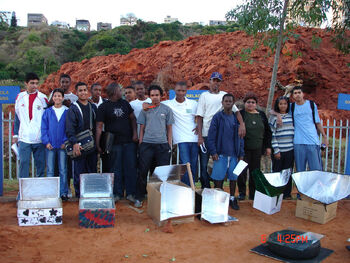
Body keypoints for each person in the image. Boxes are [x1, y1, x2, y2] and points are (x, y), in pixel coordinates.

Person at [196, 72, 245, 189]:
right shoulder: (204, 96)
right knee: (203, 164)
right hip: (206, 134)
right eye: (214, 80)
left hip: (220, 137)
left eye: (218, 81)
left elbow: (236, 112)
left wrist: (242, 124)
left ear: (220, 83)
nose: (216, 83)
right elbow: (200, 116)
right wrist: (200, 136)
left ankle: (218, 189)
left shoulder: (225, 96)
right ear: (210, 81)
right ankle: (206, 188)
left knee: (218, 163)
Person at [96, 82, 138, 202]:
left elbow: (133, 119)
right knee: (115, 169)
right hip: (114, 144)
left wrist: (135, 133)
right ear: (114, 92)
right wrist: (98, 144)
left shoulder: (125, 103)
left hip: (129, 142)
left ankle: (131, 193)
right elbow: (99, 126)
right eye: (120, 90)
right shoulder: (103, 107)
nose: (123, 92)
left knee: (130, 168)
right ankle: (117, 193)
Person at [134, 85, 174, 207]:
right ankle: (140, 197)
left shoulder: (167, 110)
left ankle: (159, 197)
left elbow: (169, 129)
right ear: (149, 96)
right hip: (147, 145)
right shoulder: (145, 110)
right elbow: (141, 128)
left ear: (161, 96)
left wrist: (169, 145)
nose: (155, 97)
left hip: (162, 145)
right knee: (142, 171)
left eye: (157, 95)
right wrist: (141, 143)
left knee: (161, 173)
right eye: (152, 95)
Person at [207, 94, 244, 210]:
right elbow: (211, 136)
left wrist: (241, 154)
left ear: (233, 104)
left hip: (234, 155)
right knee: (218, 178)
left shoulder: (236, 119)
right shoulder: (217, 117)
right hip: (220, 154)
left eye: (230, 101)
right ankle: (219, 199)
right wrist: (213, 152)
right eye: (226, 101)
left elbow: (241, 137)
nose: (228, 103)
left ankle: (232, 198)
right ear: (222, 103)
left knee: (233, 178)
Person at [162, 81, 198, 186]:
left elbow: (200, 117)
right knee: (186, 164)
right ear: (174, 91)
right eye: (178, 90)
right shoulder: (168, 104)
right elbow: (155, 104)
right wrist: (147, 105)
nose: (181, 93)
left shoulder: (193, 104)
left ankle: (192, 186)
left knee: (194, 165)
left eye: (183, 91)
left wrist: (199, 128)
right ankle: (186, 187)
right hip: (181, 139)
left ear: (186, 91)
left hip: (194, 139)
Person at [65, 82, 97, 198]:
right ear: (77, 93)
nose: (83, 92)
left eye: (85, 90)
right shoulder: (73, 108)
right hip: (79, 145)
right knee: (79, 172)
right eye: (80, 90)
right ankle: (79, 195)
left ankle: (90, 195)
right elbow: (69, 128)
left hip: (91, 145)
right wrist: (75, 143)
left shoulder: (92, 107)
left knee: (91, 170)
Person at [237, 92, 272, 200]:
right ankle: (242, 193)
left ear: (256, 104)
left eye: (253, 102)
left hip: (257, 148)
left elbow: (267, 131)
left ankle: (253, 194)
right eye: (248, 102)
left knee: (255, 172)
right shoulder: (240, 114)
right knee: (241, 171)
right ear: (245, 103)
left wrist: (268, 147)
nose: (250, 104)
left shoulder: (261, 115)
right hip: (243, 149)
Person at [14, 72, 48, 180]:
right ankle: (23, 191)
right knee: (23, 163)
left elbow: (46, 119)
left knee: (40, 165)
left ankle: (39, 189)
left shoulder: (43, 98)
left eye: (36, 83)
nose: (34, 86)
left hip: (39, 138)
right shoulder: (19, 97)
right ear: (26, 83)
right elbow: (17, 117)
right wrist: (15, 135)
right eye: (32, 83)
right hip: (24, 137)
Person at [289, 86, 328, 173]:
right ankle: (301, 187)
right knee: (300, 171)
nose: (297, 95)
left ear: (303, 94)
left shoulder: (311, 105)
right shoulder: (291, 107)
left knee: (316, 170)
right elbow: (277, 109)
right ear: (292, 96)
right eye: (295, 93)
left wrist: (325, 137)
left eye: (299, 92)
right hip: (298, 142)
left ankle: (316, 187)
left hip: (312, 142)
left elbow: (317, 122)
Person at [41, 89, 69, 201]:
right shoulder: (47, 112)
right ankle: (51, 191)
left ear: (63, 98)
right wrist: (46, 142)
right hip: (50, 146)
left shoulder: (67, 111)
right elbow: (44, 128)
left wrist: (65, 142)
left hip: (62, 146)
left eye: (59, 96)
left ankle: (63, 192)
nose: (57, 98)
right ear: (52, 98)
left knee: (63, 169)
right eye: (55, 96)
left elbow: (69, 128)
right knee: (50, 170)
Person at [269, 96, 294, 199]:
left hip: (290, 150)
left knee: (287, 173)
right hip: (279, 150)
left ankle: (286, 194)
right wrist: (276, 150)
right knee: (277, 172)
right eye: (281, 104)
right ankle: (276, 193)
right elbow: (272, 135)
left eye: (285, 104)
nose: (283, 106)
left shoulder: (291, 116)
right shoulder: (273, 118)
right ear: (277, 105)